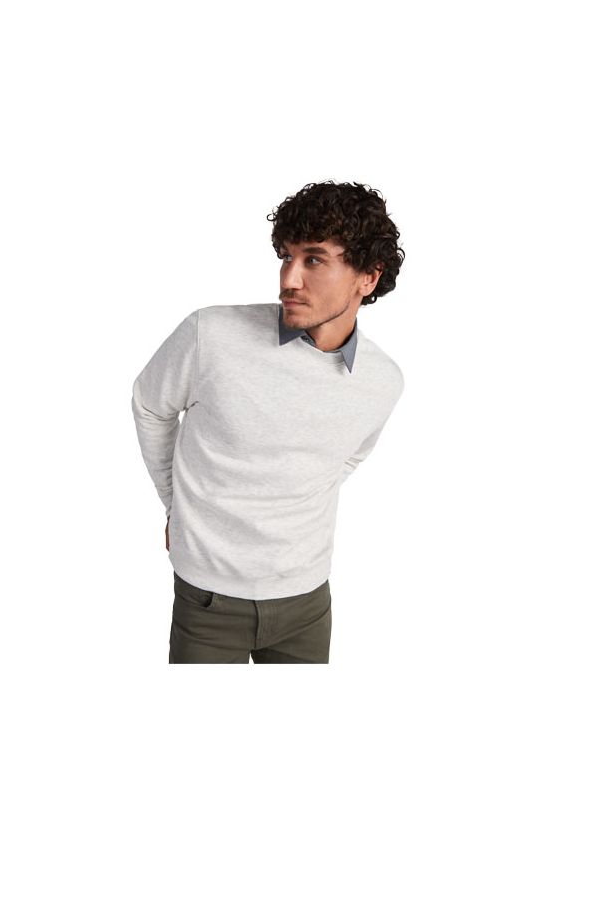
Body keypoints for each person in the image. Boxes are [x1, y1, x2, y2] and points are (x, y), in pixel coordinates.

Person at [131, 180, 406, 663]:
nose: (289, 279)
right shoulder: (210, 334)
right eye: (286, 257)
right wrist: (175, 504)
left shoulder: (382, 380)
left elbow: (346, 458)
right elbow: (151, 406)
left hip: (307, 602)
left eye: (313, 260)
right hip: (208, 600)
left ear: (367, 277)